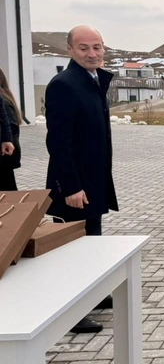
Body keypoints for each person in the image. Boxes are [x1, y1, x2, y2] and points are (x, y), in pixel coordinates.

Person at [45, 25, 119, 334]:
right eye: (84, 48)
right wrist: (71, 186)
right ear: (70, 50)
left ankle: (93, 294)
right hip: (75, 187)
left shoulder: (92, 81)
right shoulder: (65, 85)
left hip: (93, 182)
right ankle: (73, 312)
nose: (92, 53)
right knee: (73, 250)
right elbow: (58, 142)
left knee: (91, 241)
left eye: (97, 47)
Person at [0, 67, 20, 190]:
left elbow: (11, 126)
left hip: (4, 158)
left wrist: (6, 140)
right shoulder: (6, 97)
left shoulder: (4, 100)